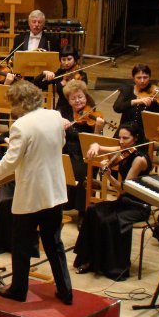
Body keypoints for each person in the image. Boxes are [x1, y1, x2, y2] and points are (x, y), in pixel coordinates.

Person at [0, 81, 72, 304]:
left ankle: (19, 289)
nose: (12, 108)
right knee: (53, 242)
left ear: (21, 102)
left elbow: (10, 162)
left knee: (21, 243)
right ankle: (66, 290)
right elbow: (60, 143)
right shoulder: (55, 116)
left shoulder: (21, 126)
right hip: (54, 190)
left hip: (32, 194)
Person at [75, 123, 152, 280]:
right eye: (120, 138)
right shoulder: (123, 150)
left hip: (137, 205)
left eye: (126, 138)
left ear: (136, 138)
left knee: (110, 220)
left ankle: (114, 267)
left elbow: (125, 189)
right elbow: (101, 147)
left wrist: (108, 175)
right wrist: (95, 146)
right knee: (93, 210)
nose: (122, 141)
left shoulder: (139, 160)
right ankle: (90, 260)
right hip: (123, 201)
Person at [59, 80, 105, 225]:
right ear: (68, 100)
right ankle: (58, 206)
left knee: (81, 172)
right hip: (66, 152)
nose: (77, 100)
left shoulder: (93, 115)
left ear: (85, 97)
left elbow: (96, 141)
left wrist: (98, 128)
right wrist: (60, 125)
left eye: (80, 97)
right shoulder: (64, 112)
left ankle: (83, 211)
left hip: (86, 155)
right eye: (73, 98)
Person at [113, 63, 159, 139]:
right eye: (139, 78)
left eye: (145, 77)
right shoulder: (127, 90)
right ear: (133, 78)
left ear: (149, 77)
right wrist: (136, 101)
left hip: (143, 135)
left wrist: (154, 104)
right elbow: (117, 108)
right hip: (124, 133)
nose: (142, 81)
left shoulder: (154, 93)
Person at [34, 45, 87, 110]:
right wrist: (44, 73)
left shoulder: (82, 75)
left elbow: (83, 95)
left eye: (69, 59)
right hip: (61, 109)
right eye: (63, 60)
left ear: (75, 58)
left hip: (77, 108)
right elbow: (37, 84)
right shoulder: (60, 73)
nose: (66, 63)